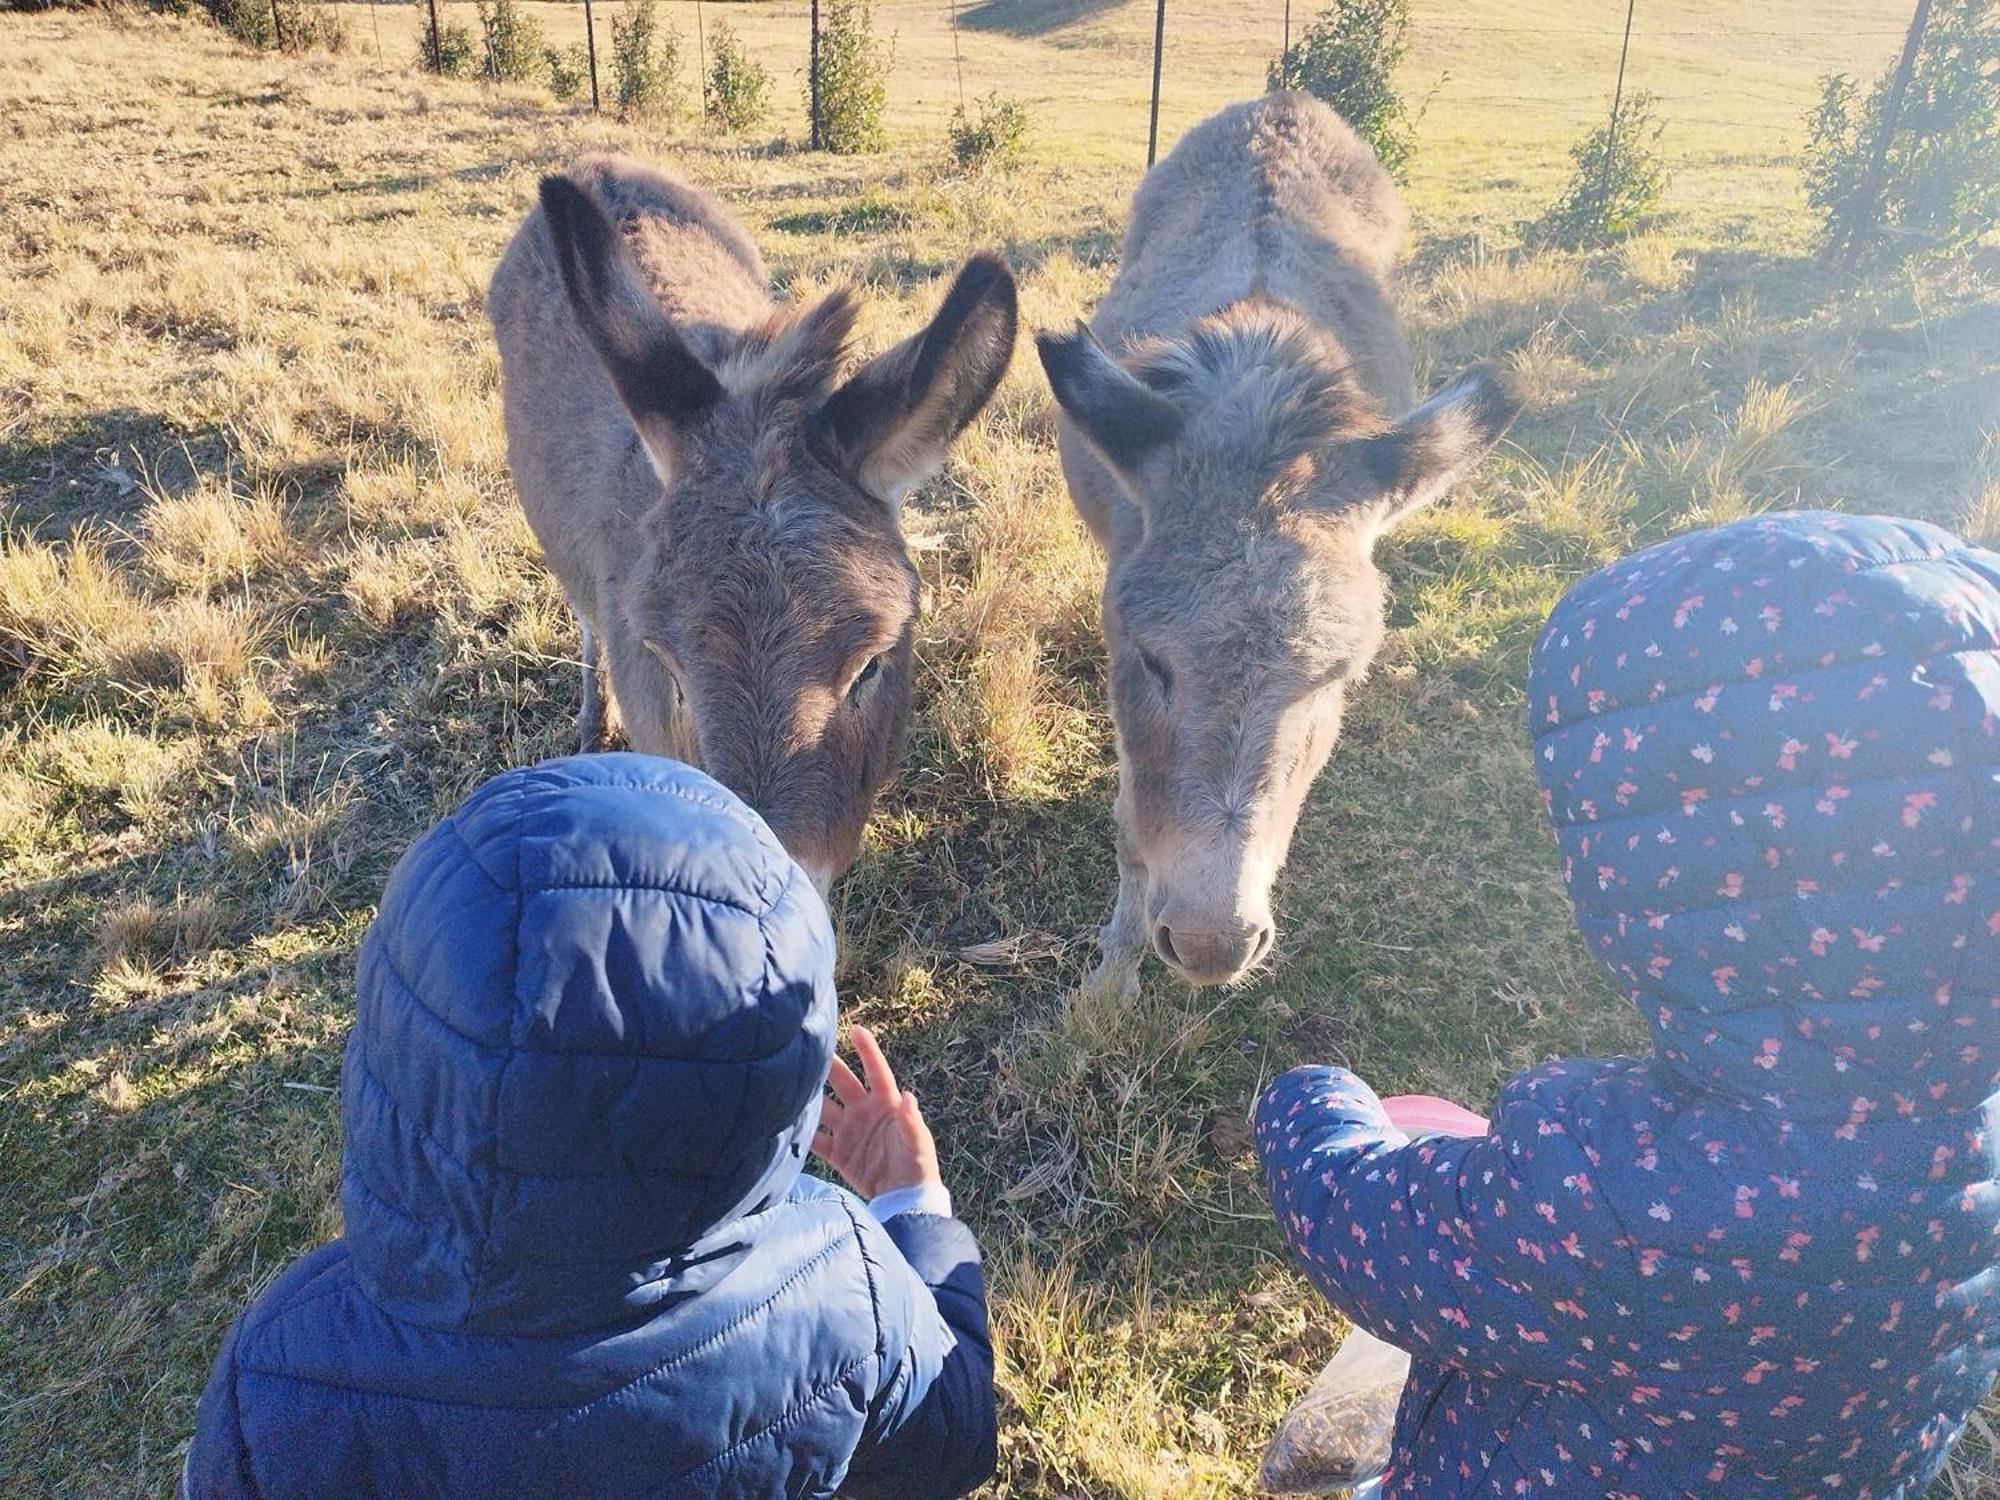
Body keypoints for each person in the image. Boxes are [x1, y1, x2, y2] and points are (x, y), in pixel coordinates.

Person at [1256, 512, 2000, 1497]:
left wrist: (1310, 1107)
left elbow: (1373, 1239)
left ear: (1694, 883)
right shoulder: (1966, 1132)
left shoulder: (1626, 1197)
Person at [183, 755, 996, 1499]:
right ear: (774, 1083)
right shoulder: (843, 1287)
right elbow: (953, 1440)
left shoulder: (282, 1380)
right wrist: (911, 1206)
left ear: (395, 1057)